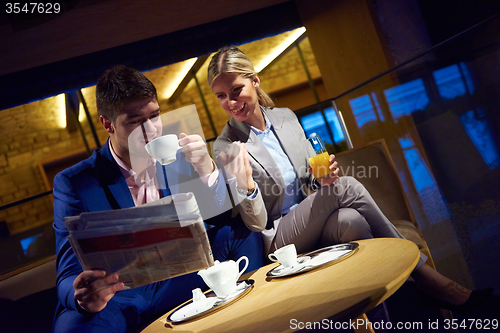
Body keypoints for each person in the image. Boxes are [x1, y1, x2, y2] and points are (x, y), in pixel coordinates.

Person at [209, 46, 494, 317]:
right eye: (222, 96)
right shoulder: (226, 147)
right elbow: (257, 223)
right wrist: (246, 185)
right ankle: (428, 278)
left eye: (237, 90)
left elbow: (313, 176)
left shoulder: (285, 118)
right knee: (346, 187)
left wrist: (325, 177)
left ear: (255, 82)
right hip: (279, 236)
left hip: (314, 216)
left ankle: (386, 316)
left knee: (352, 221)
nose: (231, 103)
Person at [52, 65, 263, 332]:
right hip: (119, 295)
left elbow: (219, 221)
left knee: (241, 232)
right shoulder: (74, 183)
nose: (151, 130)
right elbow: (67, 274)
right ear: (108, 124)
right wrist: (82, 298)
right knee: (73, 327)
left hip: (176, 277)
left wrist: (207, 170)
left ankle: (254, 315)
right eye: (136, 121)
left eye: (155, 116)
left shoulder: (178, 155)